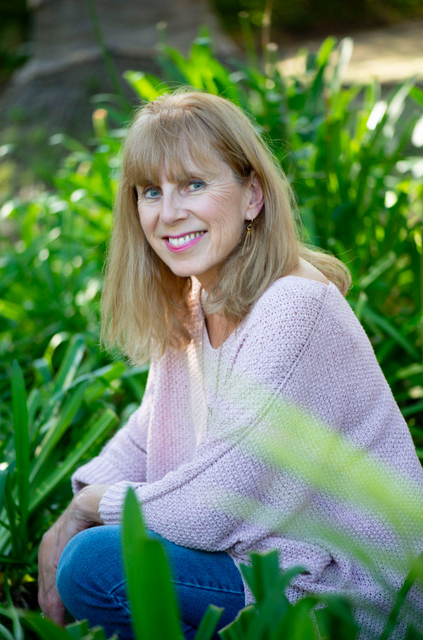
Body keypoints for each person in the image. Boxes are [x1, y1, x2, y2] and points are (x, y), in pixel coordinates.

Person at [38, 91, 423, 640]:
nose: (169, 213)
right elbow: (145, 438)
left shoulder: (293, 306)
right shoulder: (197, 302)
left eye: (194, 184)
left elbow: (217, 504)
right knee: (91, 553)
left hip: (348, 591)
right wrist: (75, 504)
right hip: (267, 567)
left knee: (96, 564)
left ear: (252, 196)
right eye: (152, 191)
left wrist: (88, 506)